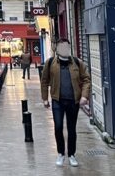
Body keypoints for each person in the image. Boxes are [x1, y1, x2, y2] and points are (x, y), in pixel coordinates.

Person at [39, 38, 91, 167]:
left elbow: (86, 80)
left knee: (71, 129)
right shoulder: (50, 63)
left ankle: (71, 155)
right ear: (56, 49)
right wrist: (45, 98)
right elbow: (44, 81)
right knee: (58, 127)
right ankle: (61, 153)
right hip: (57, 101)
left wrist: (84, 96)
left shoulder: (77, 63)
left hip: (73, 101)